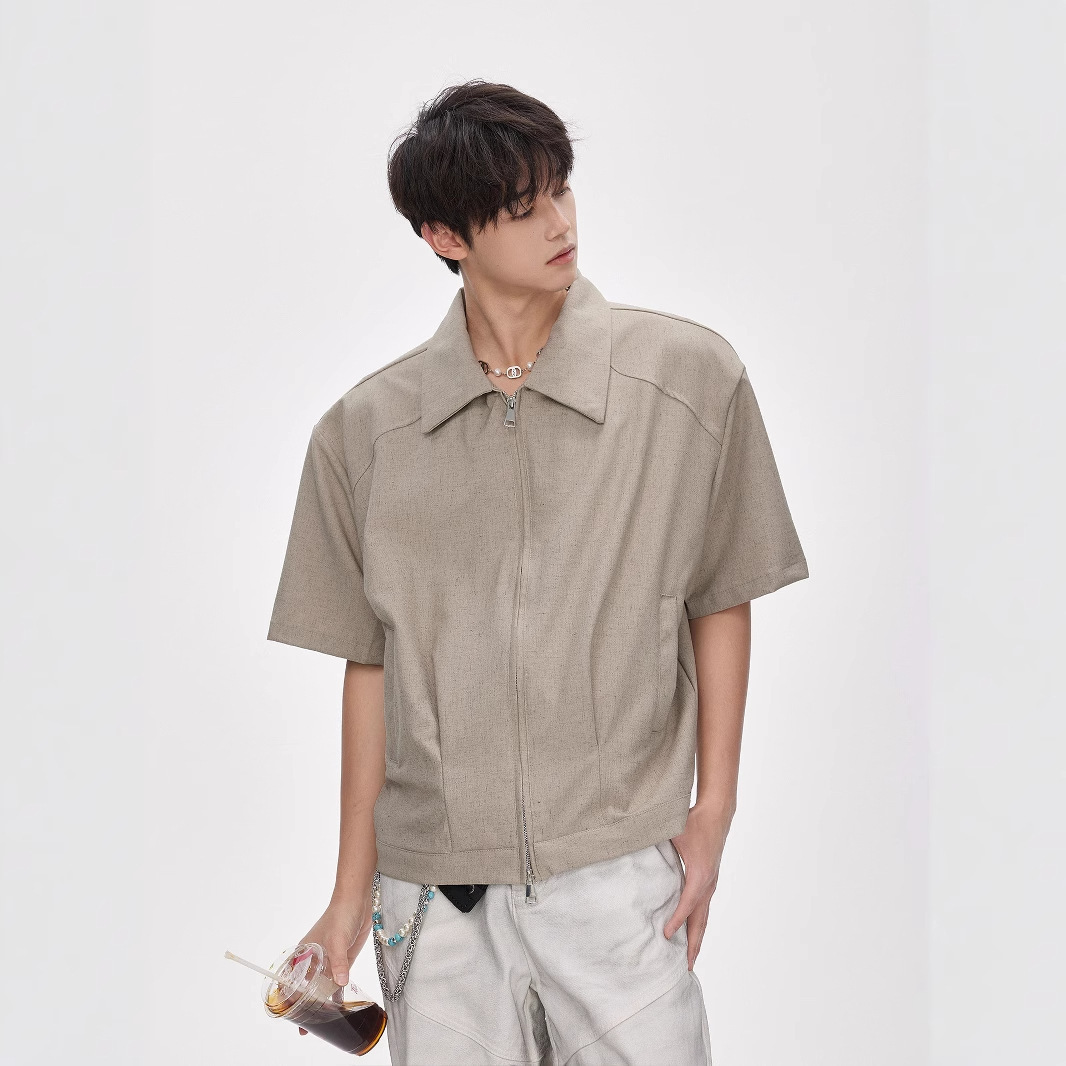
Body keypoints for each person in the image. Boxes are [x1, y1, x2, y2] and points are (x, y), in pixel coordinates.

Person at [266, 79, 809, 1065]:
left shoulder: (684, 380)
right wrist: (348, 899)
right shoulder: (366, 435)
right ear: (445, 235)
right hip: (435, 905)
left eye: (561, 188)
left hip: (617, 879)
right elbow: (371, 667)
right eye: (523, 209)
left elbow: (720, 593)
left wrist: (713, 812)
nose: (560, 223)